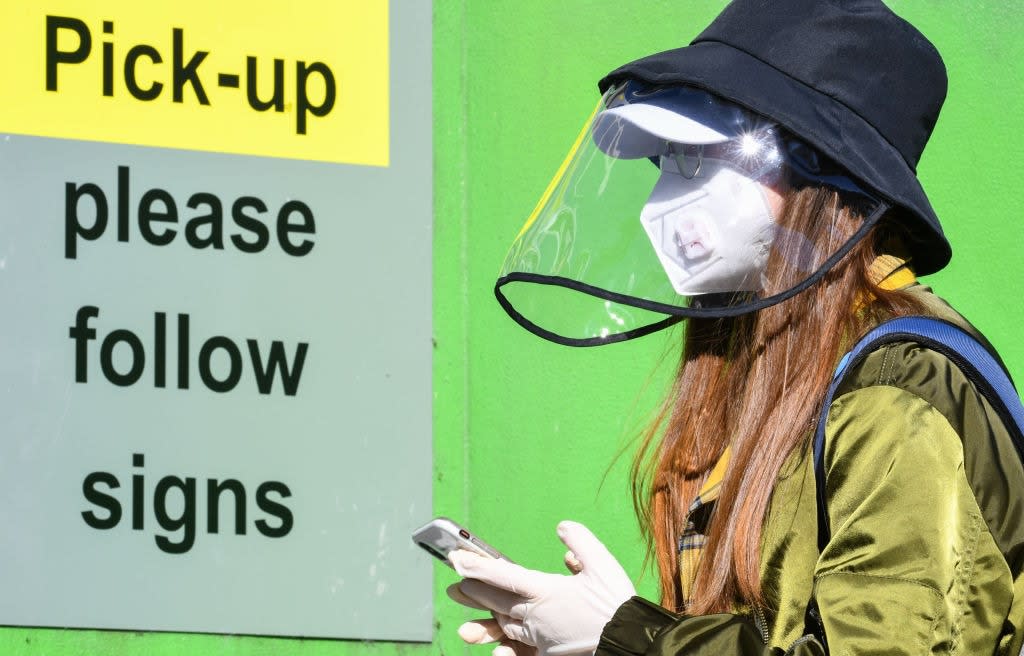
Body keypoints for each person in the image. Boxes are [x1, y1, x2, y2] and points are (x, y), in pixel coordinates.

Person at [448, 1, 1024, 654]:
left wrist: (628, 639)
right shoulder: (765, 365)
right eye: (663, 162)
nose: (656, 206)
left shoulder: (897, 393)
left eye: (692, 159)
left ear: (820, 168)